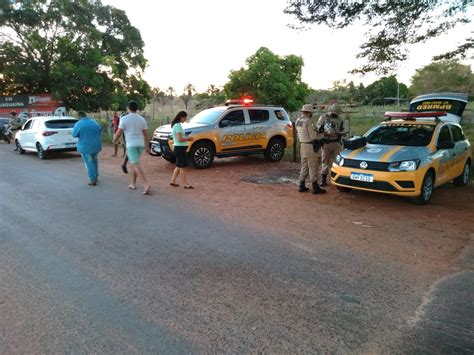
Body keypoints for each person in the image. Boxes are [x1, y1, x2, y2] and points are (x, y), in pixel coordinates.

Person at [113, 100, 151, 195]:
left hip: (131, 145)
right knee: (134, 164)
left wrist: (114, 140)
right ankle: (133, 184)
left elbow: (118, 132)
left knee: (135, 164)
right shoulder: (142, 119)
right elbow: (146, 135)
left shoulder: (124, 119)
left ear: (128, 108)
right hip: (140, 144)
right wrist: (147, 147)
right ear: (137, 108)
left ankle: (146, 184)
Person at [296, 104, 326, 194]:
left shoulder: (298, 120)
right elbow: (313, 137)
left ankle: (301, 184)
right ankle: (315, 186)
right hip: (310, 146)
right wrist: (320, 133)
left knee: (304, 165)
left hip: (302, 145)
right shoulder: (309, 121)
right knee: (313, 166)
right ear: (309, 113)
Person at [317, 103, 345, 186]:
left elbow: (342, 129)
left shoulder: (340, 119)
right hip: (326, 142)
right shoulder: (323, 117)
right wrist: (327, 133)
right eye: (335, 112)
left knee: (338, 161)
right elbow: (318, 129)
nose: (336, 114)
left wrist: (341, 133)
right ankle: (323, 179)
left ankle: (338, 178)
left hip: (336, 142)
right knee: (325, 161)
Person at [72, 112, 102, 186]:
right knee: (94, 160)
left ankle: (92, 179)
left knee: (89, 162)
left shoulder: (78, 124)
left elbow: (74, 135)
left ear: (79, 117)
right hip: (96, 145)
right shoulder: (94, 122)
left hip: (85, 146)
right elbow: (100, 131)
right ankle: (96, 176)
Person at [169, 111, 194, 189]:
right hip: (180, 148)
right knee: (183, 166)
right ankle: (185, 184)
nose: (185, 119)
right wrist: (188, 138)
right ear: (181, 117)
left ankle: (173, 181)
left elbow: (179, 138)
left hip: (179, 148)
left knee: (179, 165)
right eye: (185, 117)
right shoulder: (177, 126)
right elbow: (180, 139)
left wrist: (186, 138)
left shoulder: (176, 125)